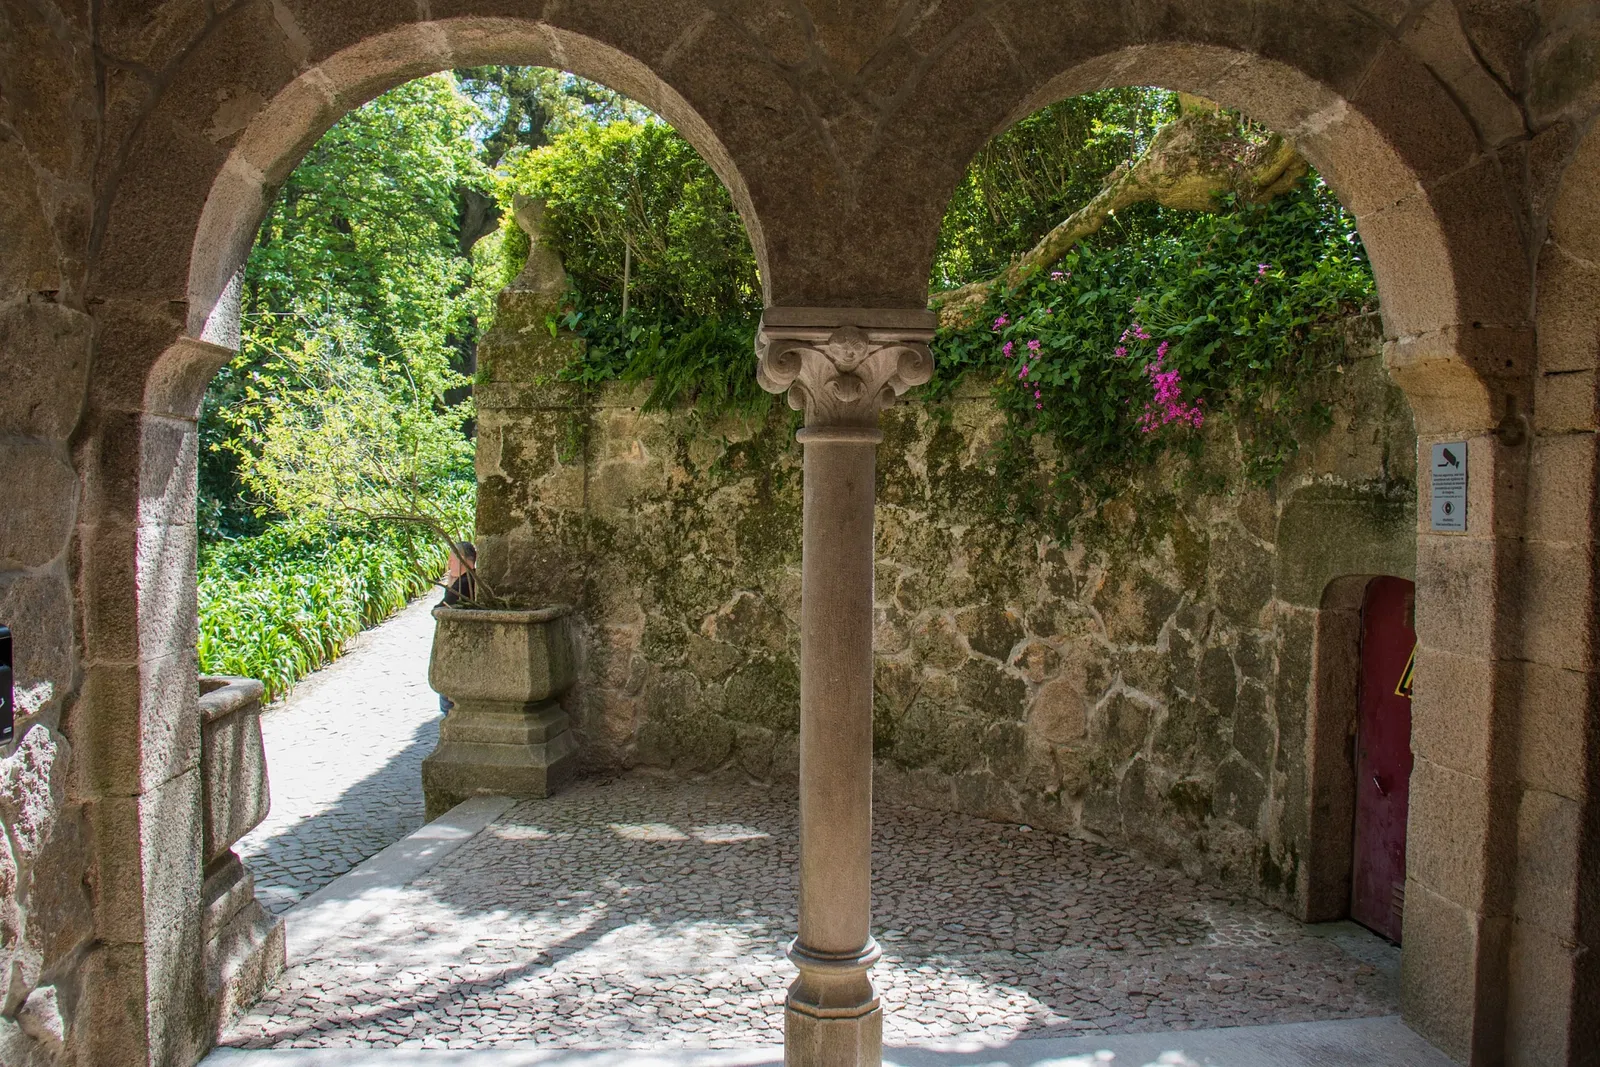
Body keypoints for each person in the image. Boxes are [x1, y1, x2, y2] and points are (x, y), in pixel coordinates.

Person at [437, 542, 477, 715]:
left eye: (452, 560)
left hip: (458, 651)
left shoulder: (464, 584)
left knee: (448, 705)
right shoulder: (469, 580)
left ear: (466, 562)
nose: (449, 565)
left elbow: (439, 610)